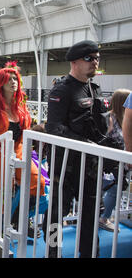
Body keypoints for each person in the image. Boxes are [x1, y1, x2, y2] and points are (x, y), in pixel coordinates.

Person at [44, 40, 111, 258]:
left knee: (91, 216)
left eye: (97, 58)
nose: (95, 62)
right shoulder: (61, 90)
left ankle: (90, 253)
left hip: (91, 166)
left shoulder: (95, 89)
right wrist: (85, 144)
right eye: (89, 58)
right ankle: (52, 252)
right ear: (74, 62)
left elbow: (100, 128)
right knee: (56, 214)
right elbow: (54, 127)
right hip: (66, 167)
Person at [0, 62, 46, 236]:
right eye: (9, 80)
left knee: (38, 183)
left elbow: (26, 131)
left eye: (15, 79)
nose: (13, 82)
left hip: (19, 150)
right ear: (1, 83)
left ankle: (17, 219)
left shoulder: (21, 107)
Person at [99, 89, 131, 231]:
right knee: (109, 189)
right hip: (109, 164)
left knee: (115, 190)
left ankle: (103, 217)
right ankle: (102, 218)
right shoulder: (110, 118)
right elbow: (104, 139)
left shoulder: (124, 119)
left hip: (121, 164)